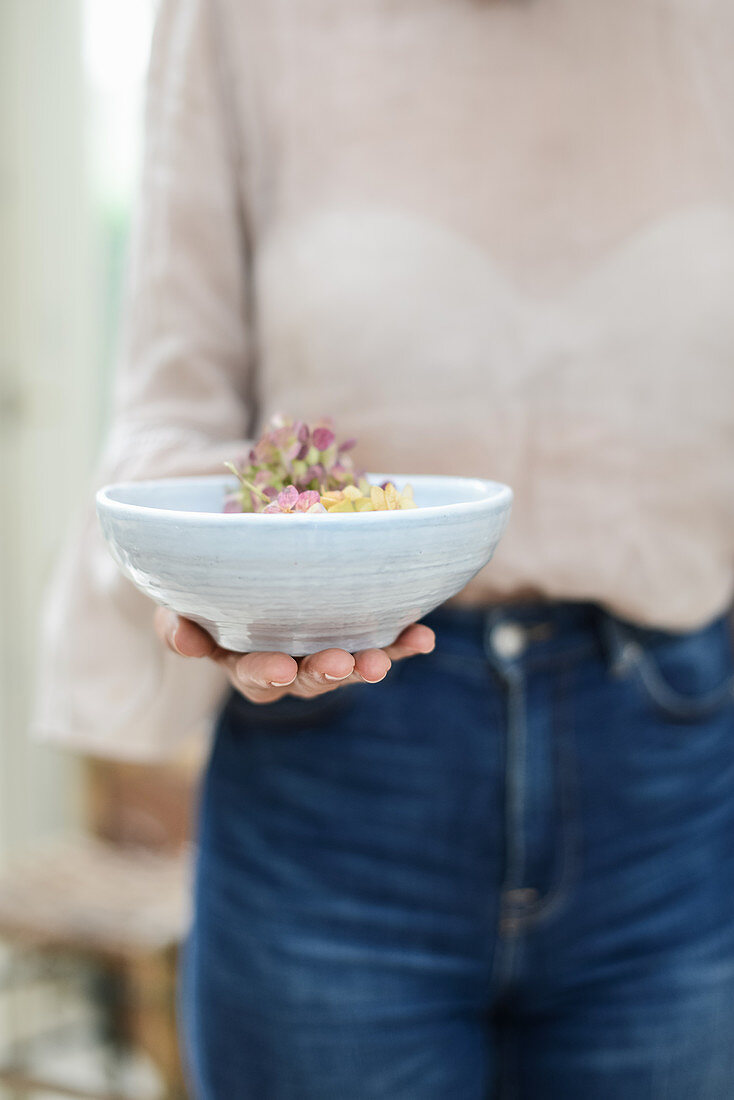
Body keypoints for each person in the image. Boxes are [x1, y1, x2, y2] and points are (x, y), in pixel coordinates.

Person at [33, 0, 734, 1096]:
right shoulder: (240, 20)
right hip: (334, 763)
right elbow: (174, 396)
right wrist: (214, 575)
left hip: (677, 777)